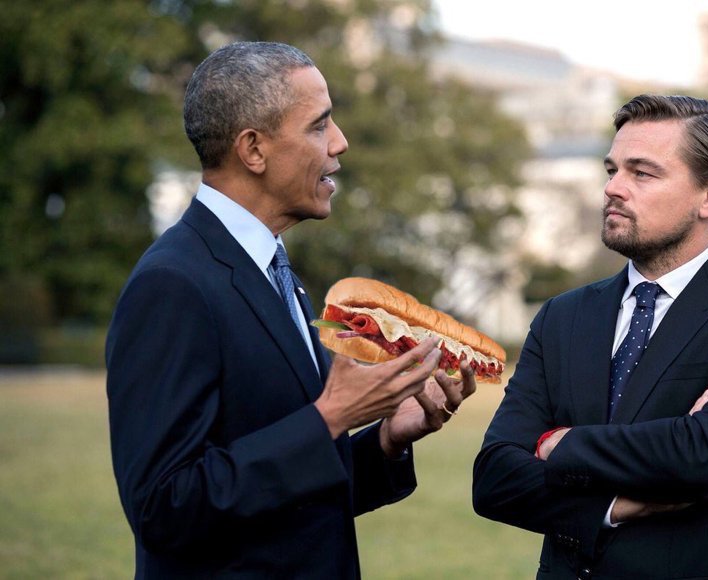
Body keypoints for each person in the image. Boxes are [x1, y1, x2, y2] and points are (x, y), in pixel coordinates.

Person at [106, 41, 476, 579]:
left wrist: (386, 439)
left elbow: (295, 501)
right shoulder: (173, 284)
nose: (340, 142)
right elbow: (164, 508)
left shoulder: (271, 272)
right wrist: (331, 417)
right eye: (319, 125)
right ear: (253, 150)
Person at [472, 94, 708, 579]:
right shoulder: (562, 316)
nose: (613, 188)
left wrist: (558, 444)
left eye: (642, 173)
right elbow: (494, 479)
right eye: (611, 170)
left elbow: (703, 454)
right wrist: (612, 506)